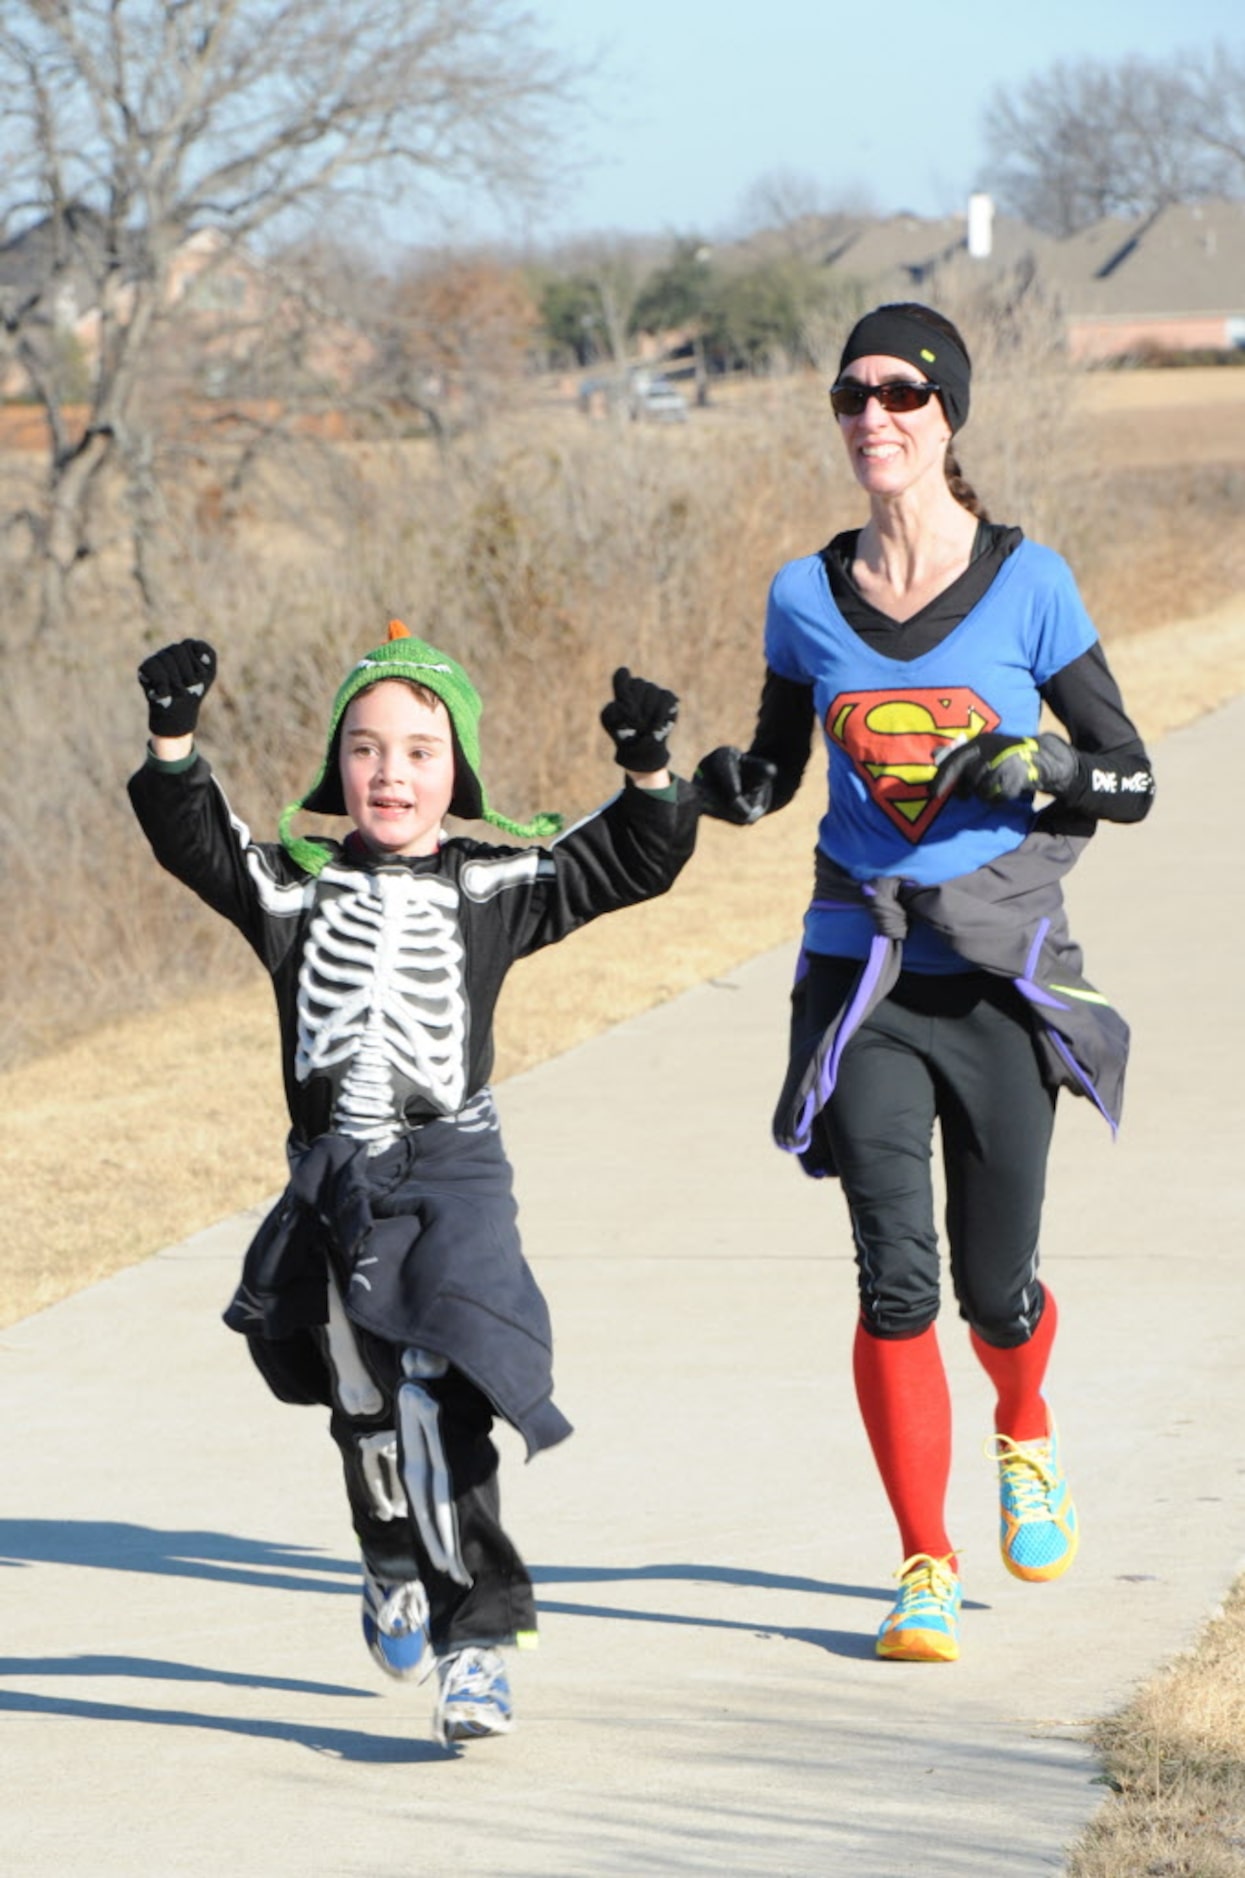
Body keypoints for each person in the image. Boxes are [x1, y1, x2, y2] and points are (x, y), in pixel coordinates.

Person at [128, 622, 699, 1741]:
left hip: (453, 1168)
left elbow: (629, 857)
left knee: (444, 1393)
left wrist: (647, 768)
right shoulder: (297, 888)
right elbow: (196, 839)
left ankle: (476, 1641)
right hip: (334, 1172)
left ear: (459, 771)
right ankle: (386, 1549)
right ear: (337, 767)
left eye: (422, 751)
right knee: (365, 1405)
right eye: (367, 748)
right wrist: (172, 739)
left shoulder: (493, 885)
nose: (392, 772)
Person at [695, 302, 1154, 1663]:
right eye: (852, 397)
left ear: (948, 415)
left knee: (993, 1290)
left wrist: (1046, 767)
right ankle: (923, 1564)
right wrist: (710, 785)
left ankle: (1025, 1426)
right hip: (863, 973)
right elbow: (775, 774)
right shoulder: (801, 594)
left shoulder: (1029, 583)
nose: (873, 419)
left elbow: (1129, 772)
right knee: (894, 1278)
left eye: (903, 395)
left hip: (999, 975)